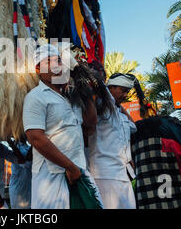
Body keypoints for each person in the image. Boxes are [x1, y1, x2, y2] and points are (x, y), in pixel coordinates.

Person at [23, 44, 103, 209]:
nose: (56, 66)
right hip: (51, 178)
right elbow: (35, 138)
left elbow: (91, 121)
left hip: (78, 171)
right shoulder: (35, 97)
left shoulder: (72, 96)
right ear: (38, 69)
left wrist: (81, 86)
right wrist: (69, 167)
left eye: (59, 62)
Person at [87, 73, 137, 209]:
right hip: (104, 174)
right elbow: (100, 89)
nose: (126, 95)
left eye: (127, 91)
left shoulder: (119, 113)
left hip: (122, 174)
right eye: (123, 90)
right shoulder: (100, 107)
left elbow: (134, 127)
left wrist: (120, 107)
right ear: (111, 88)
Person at [9, 140, 32, 209]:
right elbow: (25, 164)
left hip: (28, 186)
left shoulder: (27, 148)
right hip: (18, 187)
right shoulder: (16, 149)